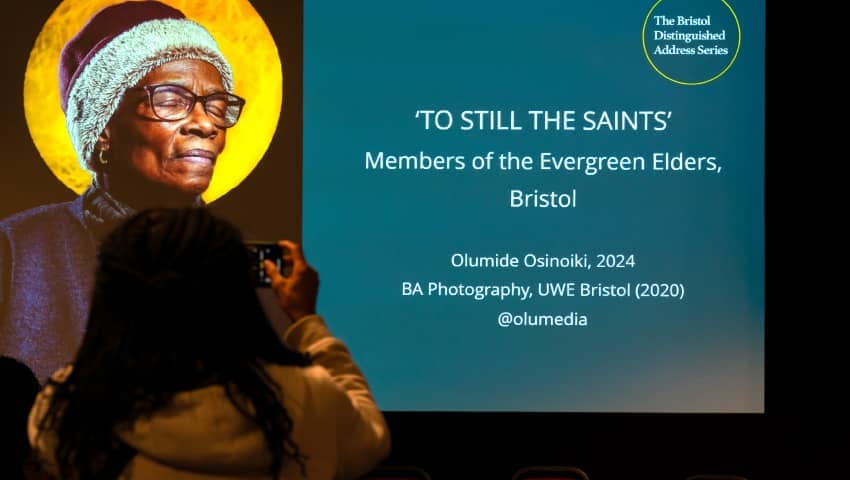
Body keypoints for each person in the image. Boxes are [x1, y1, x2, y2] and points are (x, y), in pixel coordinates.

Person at [27, 207, 390, 479]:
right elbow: (370, 440)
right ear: (236, 292)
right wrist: (307, 322)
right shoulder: (306, 398)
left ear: (111, 296)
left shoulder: (68, 406)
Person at [0, 1, 250, 380]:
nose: (205, 124)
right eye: (170, 101)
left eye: (216, 105)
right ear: (102, 131)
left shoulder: (252, 270)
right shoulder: (16, 250)